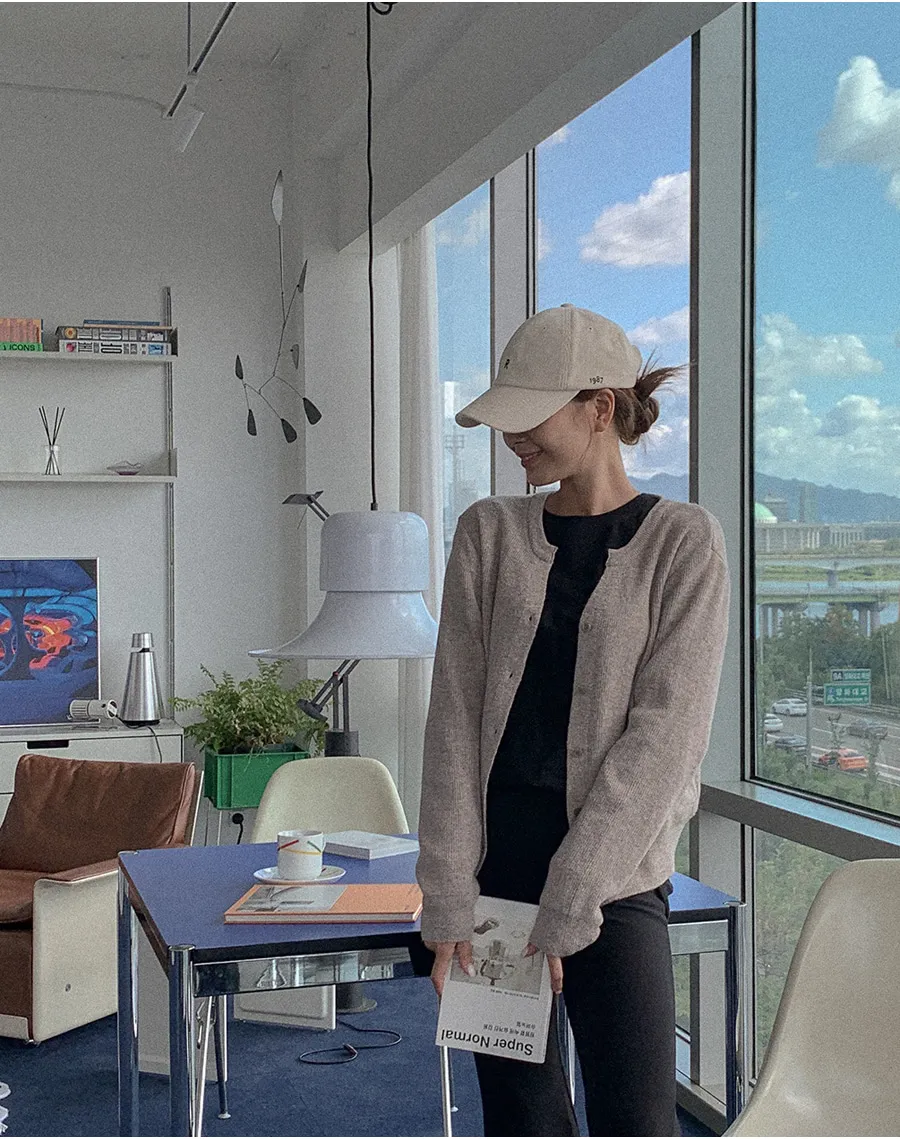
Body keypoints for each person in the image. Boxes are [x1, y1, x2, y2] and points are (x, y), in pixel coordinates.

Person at [414, 304, 731, 1137]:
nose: (512, 438)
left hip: (614, 886)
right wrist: (447, 897)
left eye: (531, 416)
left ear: (599, 406)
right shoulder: (487, 534)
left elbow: (665, 740)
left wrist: (572, 896)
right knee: (521, 1121)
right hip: (494, 886)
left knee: (638, 1121)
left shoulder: (684, 543)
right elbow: (452, 725)